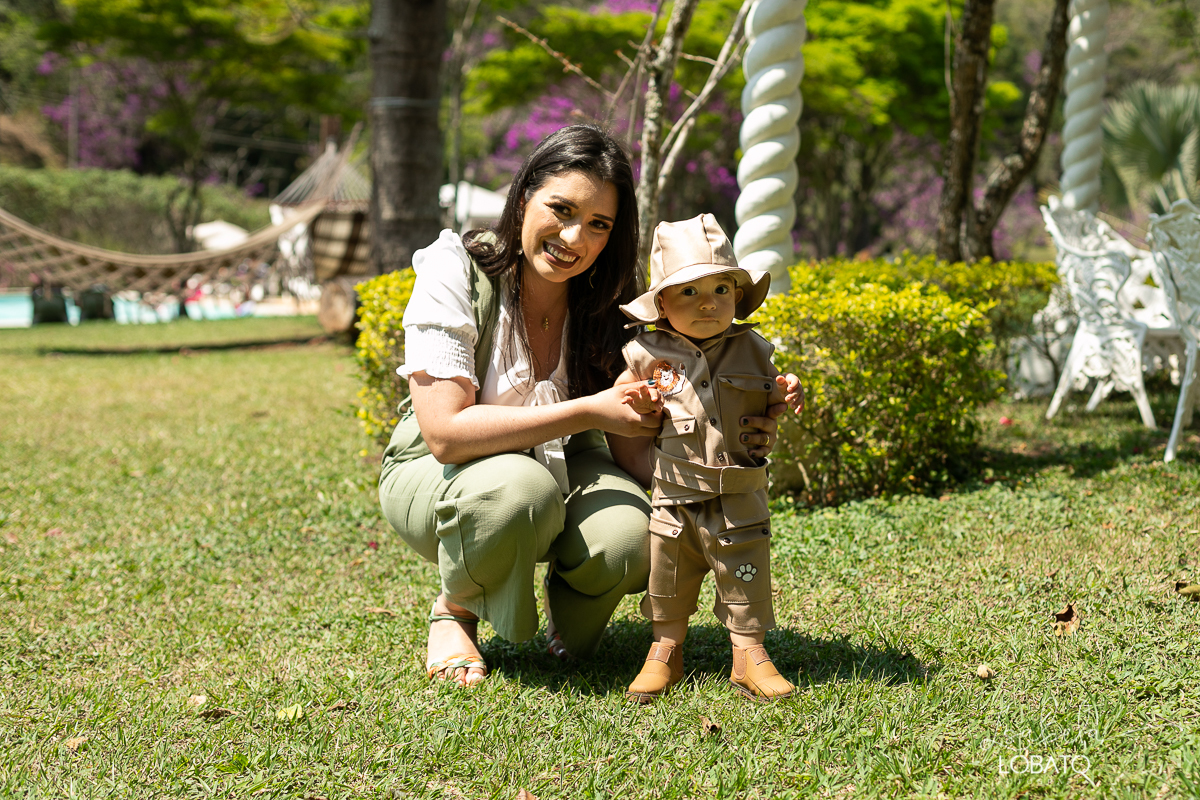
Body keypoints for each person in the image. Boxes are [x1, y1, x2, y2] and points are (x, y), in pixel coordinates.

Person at [378, 125, 795, 688]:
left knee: (631, 534)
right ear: (524, 194)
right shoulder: (456, 270)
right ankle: (456, 611)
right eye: (561, 209)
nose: (574, 237)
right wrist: (591, 410)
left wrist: (725, 460)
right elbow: (446, 433)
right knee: (518, 492)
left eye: (598, 225)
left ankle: (566, 617)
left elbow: (631, 452)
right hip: (441, 472)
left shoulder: (607, 302)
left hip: (563, 465)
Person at [614, 214, 803, 703]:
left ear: (737, 297)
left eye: (722, 289)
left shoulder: (754, 349)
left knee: (746, 573)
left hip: (738, 496)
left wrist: (787, 393)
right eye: (689, 293)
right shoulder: (644, 352)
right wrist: (632, 398)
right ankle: (665, 650)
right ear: (660, 305)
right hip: (675, 497)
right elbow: (621, 394)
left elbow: (772, 399)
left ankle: (749, 654)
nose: (709, 303)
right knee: (668, 576)